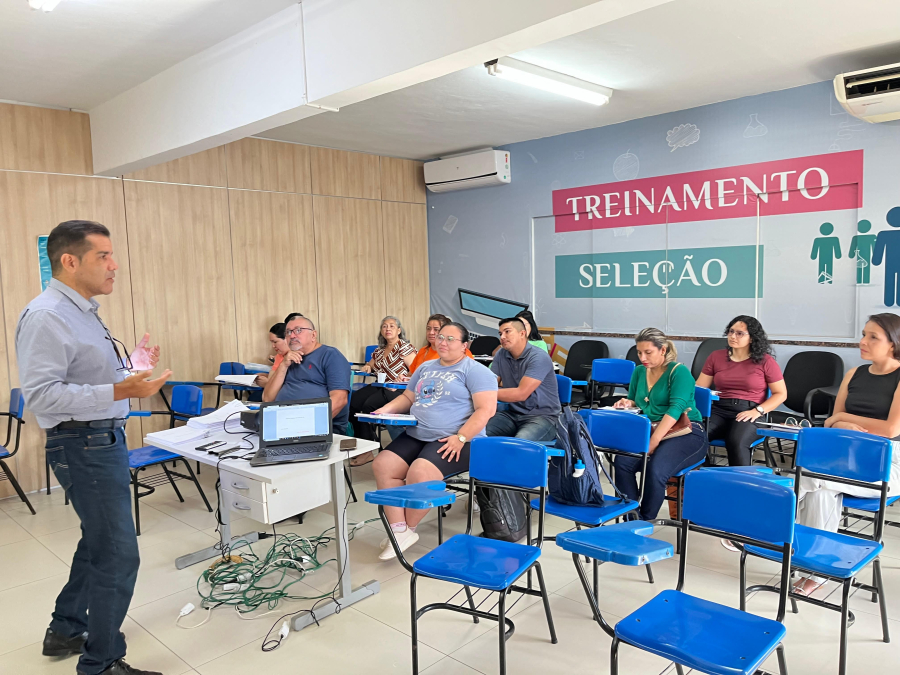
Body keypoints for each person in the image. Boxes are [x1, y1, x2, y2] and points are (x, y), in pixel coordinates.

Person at [16, 220, 172, 675]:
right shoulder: (47, 315)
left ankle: (66, 628)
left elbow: (87, 377)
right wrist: (122, 391)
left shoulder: (82, 311)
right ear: (70, 261)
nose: (114, 265)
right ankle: (100, 664)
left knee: (98, 541)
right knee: (118, 554)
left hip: (99, 439)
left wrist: (131, 370)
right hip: (82, 443)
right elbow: (43, 396)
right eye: (103, 256)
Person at [370, 322, 497, 559]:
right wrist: (384, 410)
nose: (442, 342)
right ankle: (399, 530)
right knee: (383, 464)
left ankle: (407, 528)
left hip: (459, 440)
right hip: (418, 433)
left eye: (450, 339)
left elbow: (486, 410)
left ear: (464, 345)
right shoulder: (425, 367)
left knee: (419, 473)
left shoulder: (476, 371)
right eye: (440, 337)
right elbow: (408, 397)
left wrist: (461, 437)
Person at [794, 313, 900, 595]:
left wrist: (844, 418)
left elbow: (891, 429)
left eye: (873, 337)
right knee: (820, 493)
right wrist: (841, 421)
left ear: (893, 343)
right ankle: (817, 571)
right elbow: (830, 422)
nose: (862, 341)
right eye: (864, 334)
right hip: (846, 457)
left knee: (812, 477)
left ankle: (768, 518)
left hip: (888, 461)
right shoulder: (854, 374)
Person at [612, 327, 708, 521]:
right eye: (639, 352)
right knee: (622, 463)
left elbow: (676, 409)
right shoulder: (639, 371)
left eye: (648, 352)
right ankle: (632, 519)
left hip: (686, 431)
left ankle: (644, 521)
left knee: (656, 469)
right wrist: (627, 403)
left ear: (663, 350)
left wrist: (654, 441)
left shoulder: (679, 372)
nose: (642, 357)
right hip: (652, 428)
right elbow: (635, 399)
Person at [696, 316, 787, 466]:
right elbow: (700, 388)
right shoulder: (716, 357)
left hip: (750, 411)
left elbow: (781, 394)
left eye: (739, 333)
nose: (733, 336)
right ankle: (704, 474)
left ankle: (740, 479)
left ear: (752, 338)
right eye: (731, 331)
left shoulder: (766, 361)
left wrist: (757, 411)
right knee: (695, 435)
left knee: (736, 441)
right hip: (718, 409)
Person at [262, 314, 350, 435]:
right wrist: (283, 365)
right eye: (288, 332)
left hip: (319, 427)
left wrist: (304, 426)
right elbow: (267, 399)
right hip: (283, 424)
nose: (292, 335)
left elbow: (340, 399)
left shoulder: (330, 355)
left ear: (313, 335)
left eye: (298, 330)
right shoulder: (288, 359)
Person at [348, 316, 418, 465]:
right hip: (380, 386)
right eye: (384, 326)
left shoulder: (404, 348)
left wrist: (403, 377)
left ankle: (368, 451)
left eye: (392, 326)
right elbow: (370, 365)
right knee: (352, 404)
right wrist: (367, 367)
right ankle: (366, 447)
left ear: (399, 330)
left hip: (398, 389)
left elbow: (416, 370)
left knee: (367, 406)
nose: (388, 329)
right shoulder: (379, 351)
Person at [485, 317, 560, 442]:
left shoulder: (538, 357)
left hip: (543, 417)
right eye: (500, 333)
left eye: (507, 331)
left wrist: (482, 393)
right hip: (512, 413)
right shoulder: (501, 354)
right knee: (478, 435)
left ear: (522, 333)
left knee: (519, 445)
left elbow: (521, 394)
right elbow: (489, 384)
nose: (502, 337)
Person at [407, 313, 473, 375]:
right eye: (428, 329)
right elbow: (410, 375)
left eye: (436, 329)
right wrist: (404, 378)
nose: (431, 332)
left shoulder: (461, 352)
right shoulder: (422, 351)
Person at [253, 322, 289, 387]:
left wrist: (268, 384)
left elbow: (293, 386)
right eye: (271, 342)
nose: (273, 346)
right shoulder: (279, 356)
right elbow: (274, 377)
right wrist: (265, 376)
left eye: (275, 342)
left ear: (287, 340)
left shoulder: (298, 357)